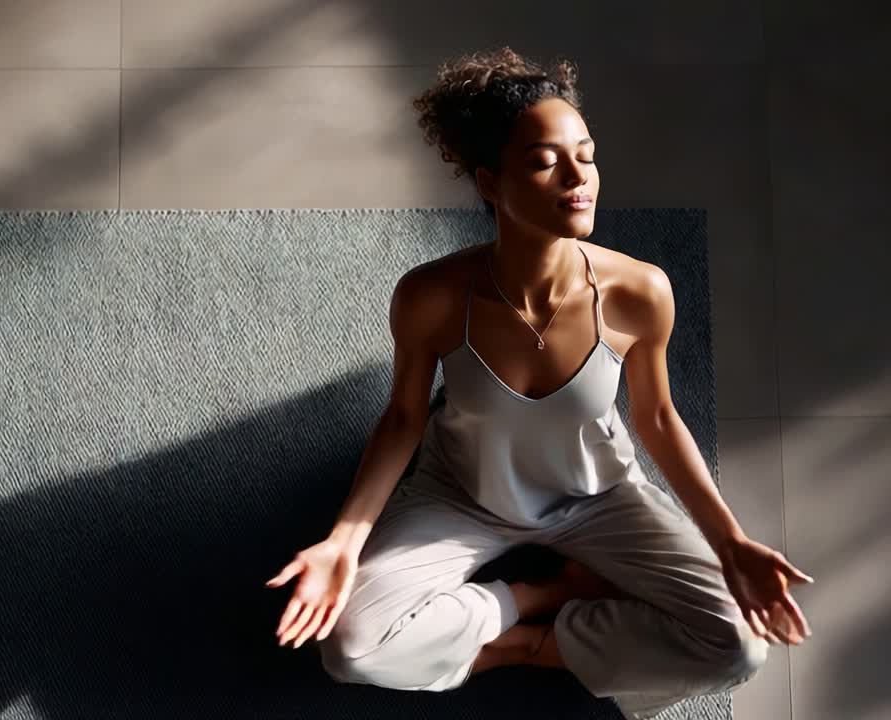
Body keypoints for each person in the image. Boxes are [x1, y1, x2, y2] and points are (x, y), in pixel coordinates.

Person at [264, 46, 814, 719]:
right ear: (491, 182)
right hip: (462, 494)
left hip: (598, 495)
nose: (577, 178)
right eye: (545, 161)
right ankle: (530, 610)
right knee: (348, 647)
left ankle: (538, 646)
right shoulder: (432, 296)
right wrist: (341, 542)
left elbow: (660, 420)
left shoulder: (639, 291)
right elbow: (404, 420)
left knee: (737, 648)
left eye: (586, 154)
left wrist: (731, 544)